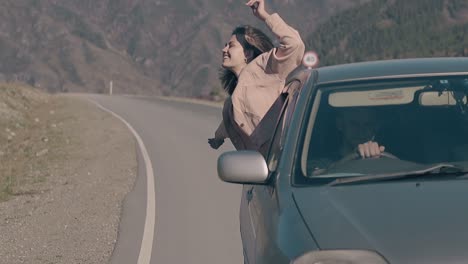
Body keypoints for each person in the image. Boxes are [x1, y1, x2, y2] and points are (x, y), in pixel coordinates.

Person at [208, 0, 305, 150]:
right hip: (257, 170)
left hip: (282, 160)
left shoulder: (266, 68)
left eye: (231, 45)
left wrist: (264, 16)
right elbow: (228, 124)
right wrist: (217, 138)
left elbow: (295, 45)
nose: (224, 49)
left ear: (247, 53)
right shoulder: (231, 102)